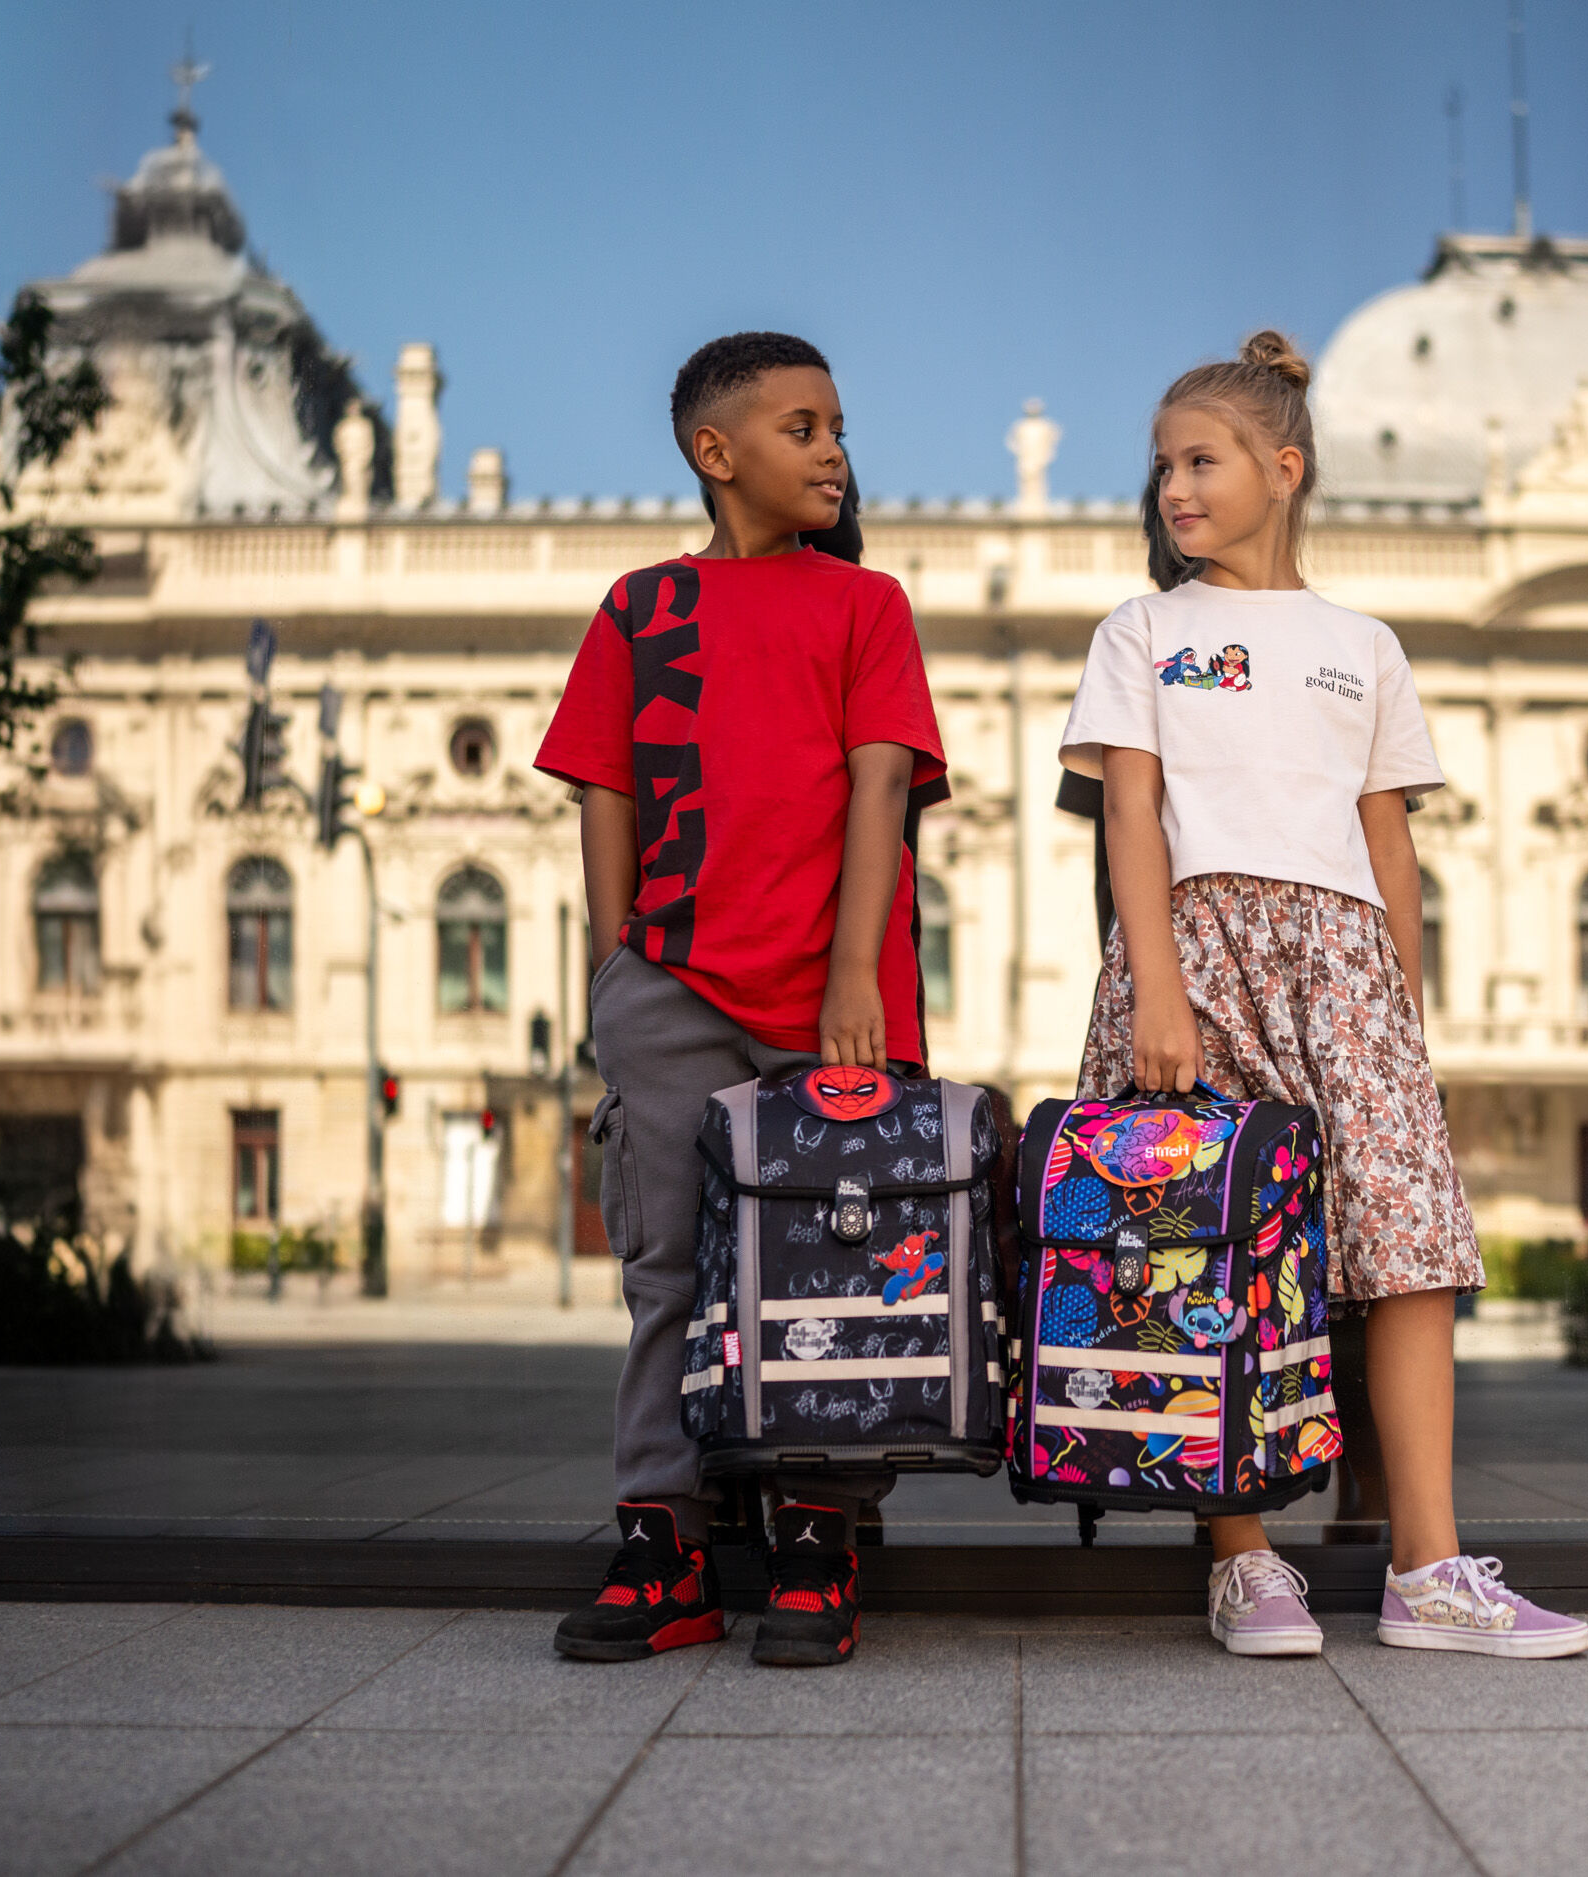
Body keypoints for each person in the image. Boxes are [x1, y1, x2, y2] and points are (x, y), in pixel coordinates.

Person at [1058, 331, 1588, 1661]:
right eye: (1162, 466)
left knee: (1407, 1254)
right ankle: (1239, 1554)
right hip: (1195, 949)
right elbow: (1132, 819)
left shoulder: (1366, 645)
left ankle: (1430, 1564)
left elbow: (1389, 840)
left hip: (1347, 971)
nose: (1174, 488)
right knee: (1205, 1244)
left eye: (1202, 460)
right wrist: (1158, 992)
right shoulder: (1143, 631)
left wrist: (1403, 1019)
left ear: (1283, 469)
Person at [533, 332, 946, 1668]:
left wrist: (846, 979)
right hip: (671, 983)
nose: (832, 451)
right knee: (665, 1266)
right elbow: (606, 786)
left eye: (835, 428)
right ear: (717, 454)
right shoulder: (639, 608)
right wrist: (618, 958)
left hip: (838, 1001)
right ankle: (665, 1543)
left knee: (833, 1268)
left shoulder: (865, 604)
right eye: (801, 427)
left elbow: (882, 787)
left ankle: (818, 1535)